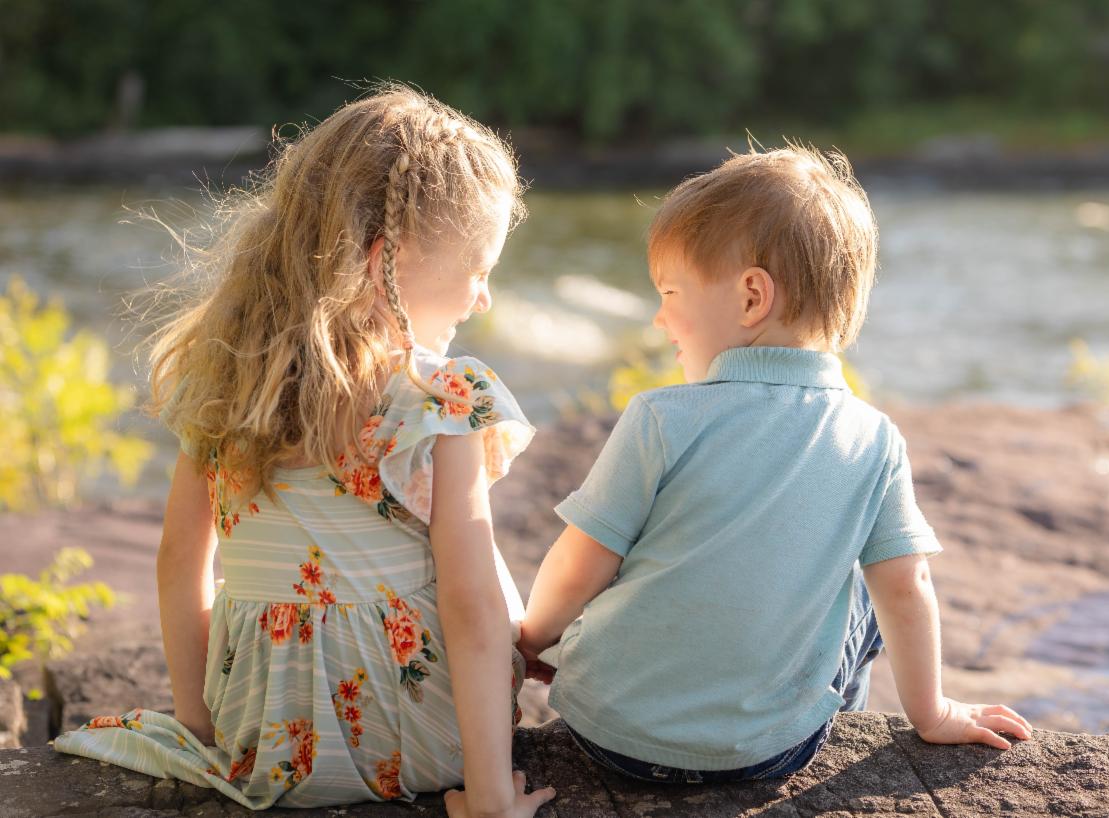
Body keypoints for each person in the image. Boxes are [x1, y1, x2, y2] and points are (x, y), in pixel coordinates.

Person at [54, 86, 555, 816]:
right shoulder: (446, 395)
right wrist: (488, 799)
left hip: (262, 738)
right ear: (391, 259)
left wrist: (204, 729)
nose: (483, 299)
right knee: (481, 569)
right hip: (417, 741)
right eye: (479, 271)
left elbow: (179, 564)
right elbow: (472, 608)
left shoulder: (224, 376)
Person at [517, 144, 1033, 783]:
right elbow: (908, 588)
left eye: (671, 291)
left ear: (752, 297)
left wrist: (532, 638)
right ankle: (842, 720)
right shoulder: (874, 438)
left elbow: (580, 560)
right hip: (769, 756)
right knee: (872, 589)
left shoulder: (659, 417)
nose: (659, 315)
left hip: (610, 734)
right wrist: (932, 713)